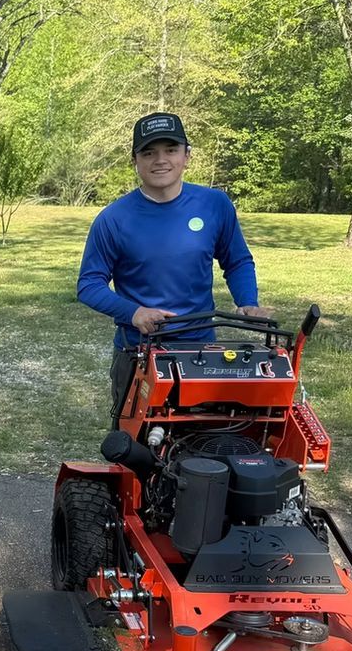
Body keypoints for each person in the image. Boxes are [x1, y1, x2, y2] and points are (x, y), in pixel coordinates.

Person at [77, 112, 266, 420]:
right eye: (148, 152)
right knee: (135, 447)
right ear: (135, 161)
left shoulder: (215, 205)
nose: (160, 160)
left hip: (201, 350)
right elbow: (89, 284)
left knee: (203, 440)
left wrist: (248, 302)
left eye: (170, 150)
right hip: (137, 351)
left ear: (187, 156)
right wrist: (134, 312)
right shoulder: (113, 219)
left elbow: (238, 261)